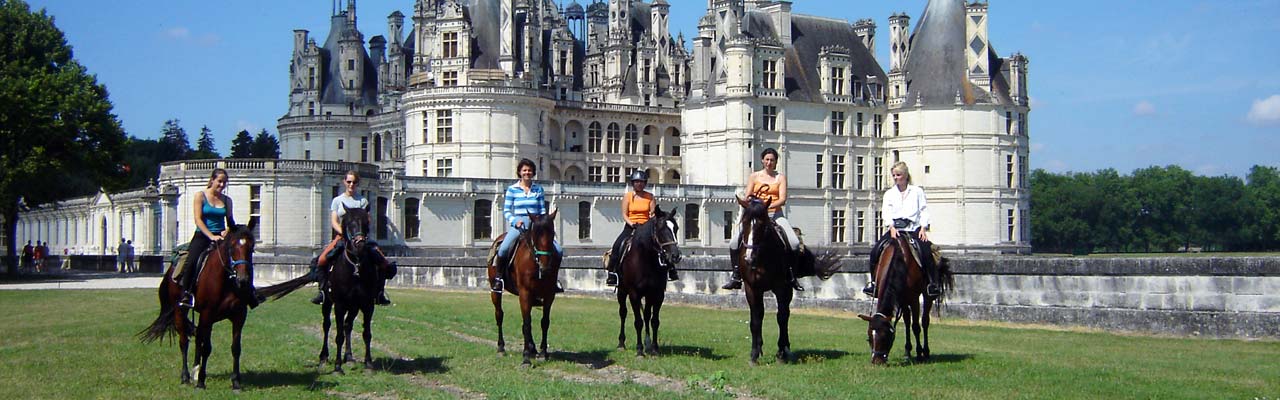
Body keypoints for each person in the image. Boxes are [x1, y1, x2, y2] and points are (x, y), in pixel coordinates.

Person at [722, 148, 804, 291]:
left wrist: (765, 208)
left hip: (775, 215)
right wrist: (750, 204)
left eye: (772, 160)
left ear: (776, 162)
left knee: (794, 243)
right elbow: (748, 196)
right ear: (762, 160)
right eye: (767, 159)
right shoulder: (754, 176)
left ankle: (791, 275)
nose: (769, 162)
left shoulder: (780, 178)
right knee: (734, 242)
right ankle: (736, 275)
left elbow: (782, 199)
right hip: (755, 216)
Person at [177, 168, 260, 309]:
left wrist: (228, 232)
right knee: (191, 261)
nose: (222, 185)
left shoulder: (227, 201)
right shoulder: (200, 196)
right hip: (202, 236)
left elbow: (230, 222)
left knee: (242, 260)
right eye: (219, 181)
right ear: (212, 180)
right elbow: (198, 220)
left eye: (224, 182)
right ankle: (187, 293)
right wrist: (211, 236)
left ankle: (249, 293)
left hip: (221, 237)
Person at [310, 170, 395, 306]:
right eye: (349, 182)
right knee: (321, 260)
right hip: (342, 237)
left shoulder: (362, 201)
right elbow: (334, 221)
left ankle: (379, 293)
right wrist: (344, 233)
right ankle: (323, 292)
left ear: (357, 183)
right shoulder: (337, 201)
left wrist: (359, 235)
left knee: (383, 262)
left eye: (354, 182)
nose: (351, 185)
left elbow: (367, 221)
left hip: (361, 238)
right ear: (344, 182)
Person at [863, 161, 941, 298]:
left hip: (912, 228)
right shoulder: (889, 194)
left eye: (898, 175)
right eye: (893, 175)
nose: (895, 178)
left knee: (926, 251)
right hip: (896, 229)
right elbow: (886, 212)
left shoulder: (917, 192)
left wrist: (923, 228)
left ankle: (932, 284)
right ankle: (874, 283)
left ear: (905, 175)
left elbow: (923, 210)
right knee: (875, 251)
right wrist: (891, 227)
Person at [491, 158, 564, 292]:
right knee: (503, 249)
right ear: (519, 172)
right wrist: (515, 221)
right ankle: (499, 279)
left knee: (558, 250)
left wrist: (544, 222)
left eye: (529, 170)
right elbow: (507, 211)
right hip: (519, 224)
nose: (527, 173)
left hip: (537, 225)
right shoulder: (512, 190)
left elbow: (542, 210)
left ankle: (553, 280)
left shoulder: (538, 189)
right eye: (524, 170)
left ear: (533, 173)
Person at [605, 170, 676, 286]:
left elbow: (652, 214)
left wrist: (649, 224)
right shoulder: (628, 197)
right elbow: (624, 214)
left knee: (663, 246)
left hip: (647, 227)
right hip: (631, 226)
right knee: (618, 245)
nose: (639, 184)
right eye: (637, 182)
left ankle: (671, 269)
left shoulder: (650, 197)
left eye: (642, 182)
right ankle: (612, 274)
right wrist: (632, 224)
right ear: (633, 183)